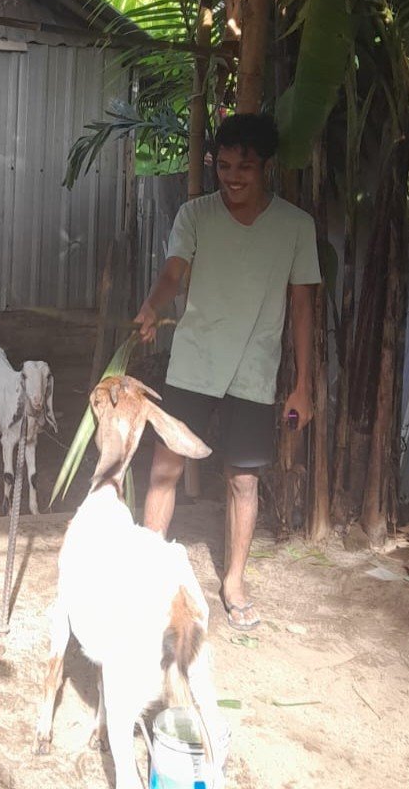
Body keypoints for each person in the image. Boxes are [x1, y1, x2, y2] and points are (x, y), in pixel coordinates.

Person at [134, 113, 320, 630]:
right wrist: (152, 305)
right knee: (164, 470)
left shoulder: (295, 226)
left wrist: (303, 385)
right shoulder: (195, 215)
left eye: (246, 166)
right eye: (225, 166)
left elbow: (302, 307)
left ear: (267, 167)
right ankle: (151, 571)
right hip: (193, 362)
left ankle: (234, 581)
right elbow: (173, 272)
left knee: (243, 480)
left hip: (255, 371)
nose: (234, 177)